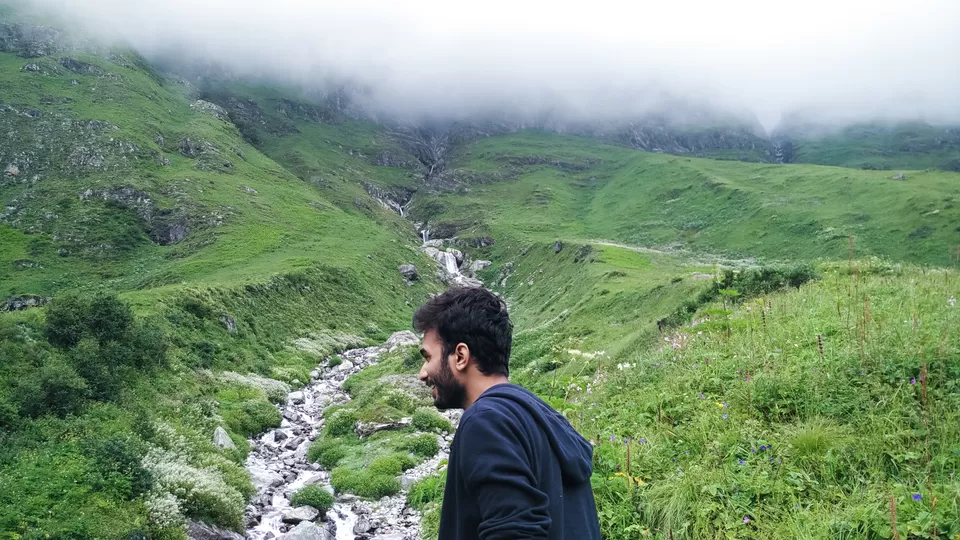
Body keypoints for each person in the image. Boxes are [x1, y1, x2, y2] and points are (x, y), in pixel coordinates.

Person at [413, 286, 601, 540]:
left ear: (460, 356)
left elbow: (514, 529)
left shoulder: (486, 422)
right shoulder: (540, 415)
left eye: (428, 358)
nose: (422, 373)